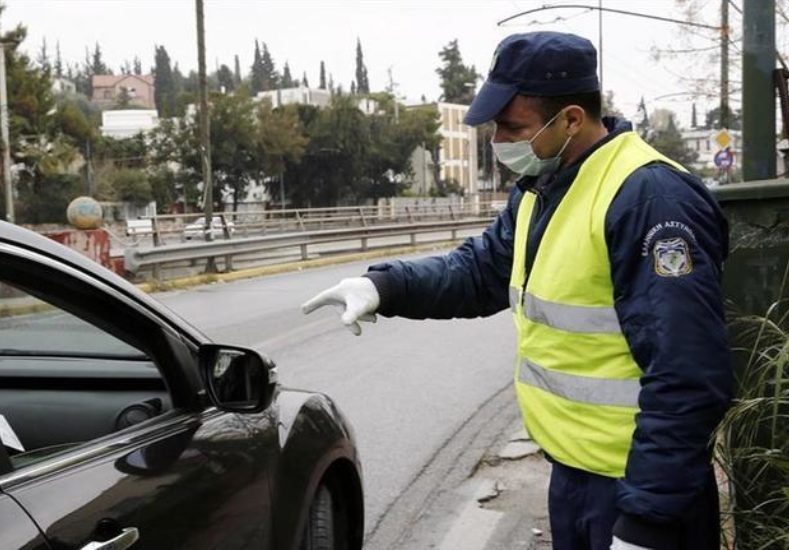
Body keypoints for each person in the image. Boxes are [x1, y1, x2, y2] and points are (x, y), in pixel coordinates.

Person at [301, 31, 731, 550]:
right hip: (576, 477)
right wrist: (385, 287)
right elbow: (480, 271)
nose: (498, 140)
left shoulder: (649, 199)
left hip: (639, 489)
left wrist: (648, 521)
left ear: (571, 119)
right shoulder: (544, 188)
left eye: (512, 126)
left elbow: (687, 373)